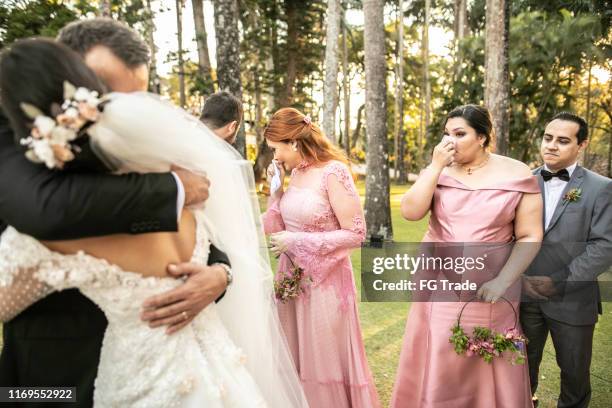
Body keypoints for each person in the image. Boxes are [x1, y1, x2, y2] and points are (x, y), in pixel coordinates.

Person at [0, 38, 307, 407]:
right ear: (72, 78)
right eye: (106, 91)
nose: (116, 109)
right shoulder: (16, 144)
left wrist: (220, 273)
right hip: (53, 381)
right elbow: (44, 208)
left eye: (134, 99)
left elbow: (213, 245)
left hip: (170, 373)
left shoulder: (167, 177)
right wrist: (174, 188)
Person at [391, 104, 543, 407]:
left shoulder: (517, 173)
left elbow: (530, 235)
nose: (450, 142)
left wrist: (502, 281)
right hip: (440, 283)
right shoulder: (438, 171)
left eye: (460, 134)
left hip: (495, 285)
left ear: (483, 137)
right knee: (442, 354)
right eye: (447, 134)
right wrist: (434, 168)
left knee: (487, 358)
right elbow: (410, 212)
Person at [262, 108, 380, 408]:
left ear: (294, 142)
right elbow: (276, 228)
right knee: (295, 357)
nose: (275, 158)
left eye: (276, 149)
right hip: (292, 283)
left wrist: (298, 241)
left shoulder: (334, 172)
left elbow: (356, 233)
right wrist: (275, 194)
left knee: (323, 362)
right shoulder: (297, 173)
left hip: (326, 286)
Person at [520, 112, 612, 408]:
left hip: (573, 299)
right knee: (518, 371)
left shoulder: (601, 187)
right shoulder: (523, 182)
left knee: (574, 376)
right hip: (524, 296)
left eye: (562, 141)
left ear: (581, 144)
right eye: (548, 138)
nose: (552, 146)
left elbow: (605, 245)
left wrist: (558, 282)